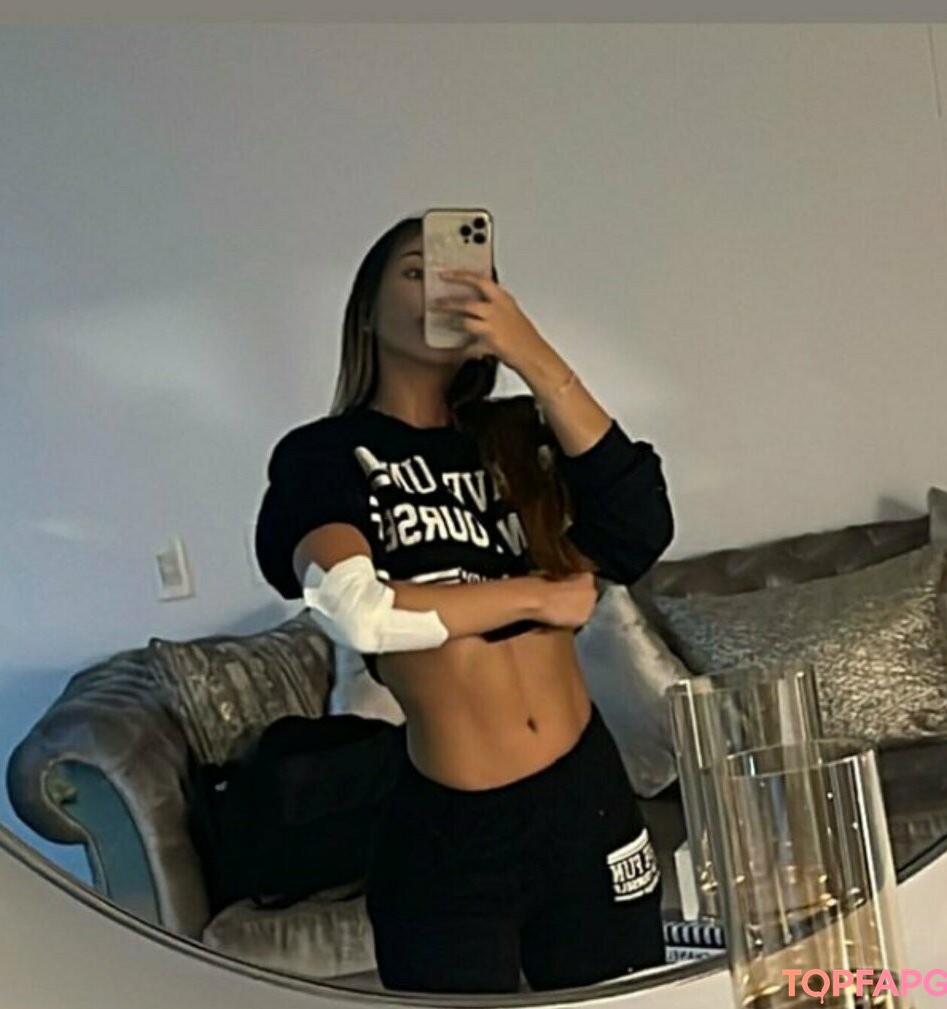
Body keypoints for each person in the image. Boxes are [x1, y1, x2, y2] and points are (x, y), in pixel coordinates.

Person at [254, 214, 675, 993]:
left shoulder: (515, 437)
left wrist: (531, 352)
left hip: (587, 798)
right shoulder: (325, 456)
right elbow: (357, 607)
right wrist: (536, 594)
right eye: (415, 272)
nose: (438, 290)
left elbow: (641, 526)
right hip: (451, 828)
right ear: (367, 310)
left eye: (458, 275)